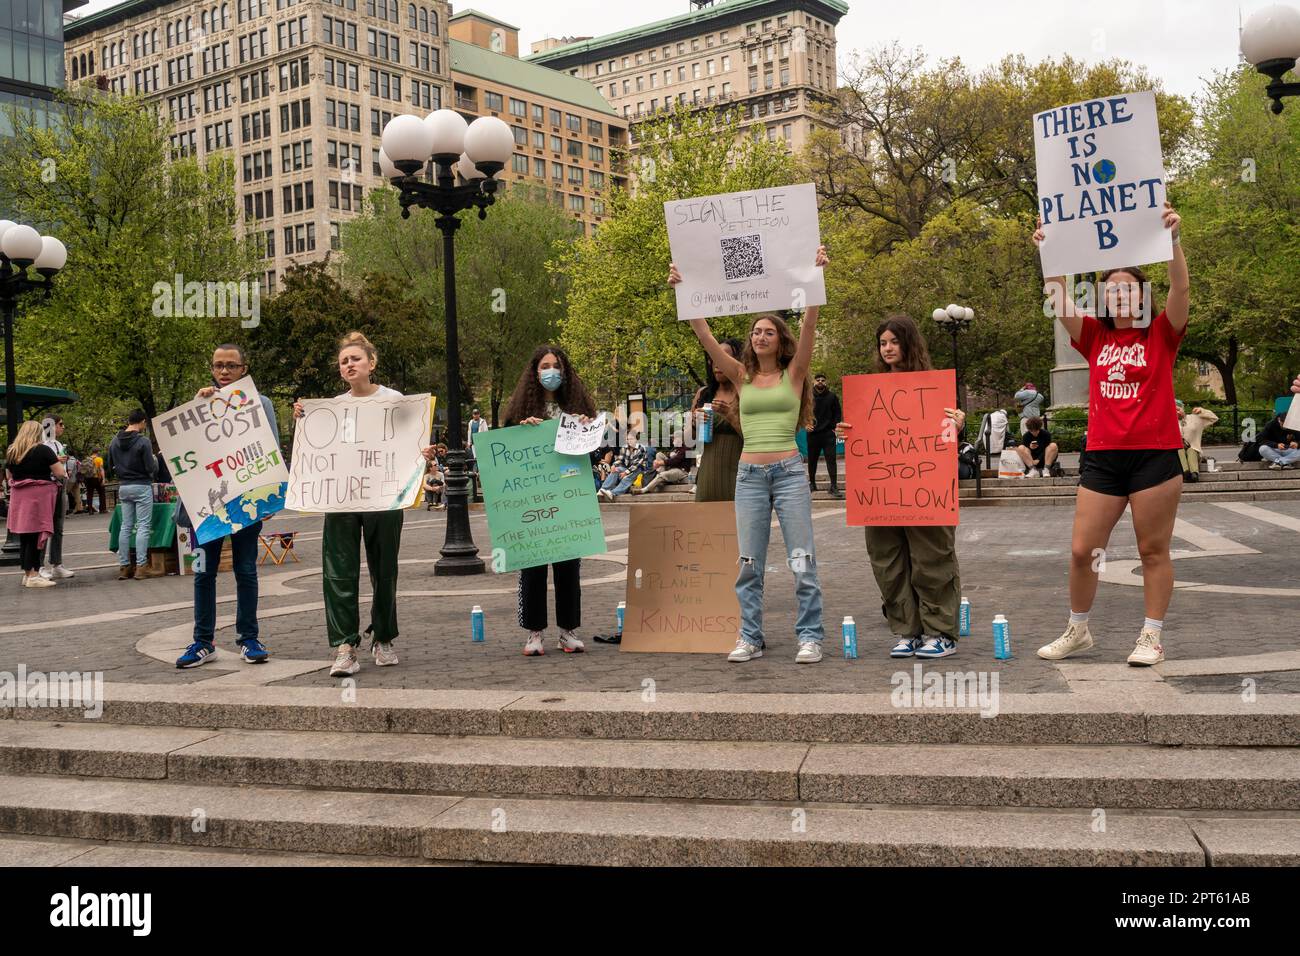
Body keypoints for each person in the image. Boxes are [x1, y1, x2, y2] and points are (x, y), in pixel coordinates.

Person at [1033, 201, 1188, 667]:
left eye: (1128, 289)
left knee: (1151, 549)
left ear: (1142, 297)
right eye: (1112, 290)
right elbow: (1057, 295)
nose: (1120, 296)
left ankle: (1151, 636)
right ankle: (1078, 629)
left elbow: (1180, 287)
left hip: (1155, 457)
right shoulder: (1094, 337)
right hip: (1102, 457)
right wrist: (1050, 250)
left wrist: (1173, 240)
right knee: (1084, 550)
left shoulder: (1161, 334)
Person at [670, 246, 830, 664]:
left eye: (768, 331)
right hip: (749, 476)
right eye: (756, 331)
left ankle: (810, 636)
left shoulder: (793, 374)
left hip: (790, 474)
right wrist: (683, 290)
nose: (760, 336)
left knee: (802, 558)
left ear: (780, 340)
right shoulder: (740, 376)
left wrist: (815, 277)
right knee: (748, 562)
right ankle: (750, 636)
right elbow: (704, 336)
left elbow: (811, 324)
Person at [294, 331, 432, 677]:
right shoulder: (331, 409)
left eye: (355, 358)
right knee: (338, 572)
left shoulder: (396, 400)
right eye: (344, 361)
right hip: (341, 499)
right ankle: (345, 645)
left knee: (384, 570)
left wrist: (423, 453)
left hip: (384, 498)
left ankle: (383, 637)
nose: (349, 364)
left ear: (372, 363)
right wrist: (303, 416)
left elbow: (409, 443)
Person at [836, 315, 967, 659]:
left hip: (926, 489)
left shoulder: (932, 387)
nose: (888, 348)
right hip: (881, 489)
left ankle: (941, 632)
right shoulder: (868, 392)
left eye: (894, 341)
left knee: (931, 559)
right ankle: (906, 630)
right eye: (883, 343)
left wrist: (957, 424)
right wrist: (845, 432)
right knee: (887, 560)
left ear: (908, 344)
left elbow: (943, 437)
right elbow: (861, 433)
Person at [175, 344, 280, 669]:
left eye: (231, 366)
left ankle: (249, 638)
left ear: (244, 369)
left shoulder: (259, 404)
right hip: (205, 506)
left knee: (245, 570)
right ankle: (203, 642)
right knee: (203, 572)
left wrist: (272, 494)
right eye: (218, 365)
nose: (223, 371)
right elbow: (185, 450)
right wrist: (196, 406)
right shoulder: (199, 405)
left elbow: (271, 449)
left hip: (245, 503)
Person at [503, 344, 598, 656]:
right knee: (533, 566)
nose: (551, 372)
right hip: (533, 500)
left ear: (565, 371)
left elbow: (593, 453)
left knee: (568, 565)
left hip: (569, 497)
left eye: (556, 365)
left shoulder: (578, 408)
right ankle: (534, 633)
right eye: (545, 366)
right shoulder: (519, 412)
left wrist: (586, 429)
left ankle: (567, 631)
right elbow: (506, 453)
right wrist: (521, 431)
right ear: (535, 372)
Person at [5, 420, 66, 589]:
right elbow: (60, 472)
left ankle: (27, 573)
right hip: (38, 497)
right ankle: (33, 575)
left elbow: (9, 474)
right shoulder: (43, 450)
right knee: (36, 535)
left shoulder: (12, 451)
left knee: (25, 536)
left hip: (19, 497)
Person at [108, 409, 162, 580]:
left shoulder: (114, 441)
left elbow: (109, 466)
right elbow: (150, 467)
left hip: (123, 487)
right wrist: (154, 462)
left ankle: (124, 566)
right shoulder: (143, 441)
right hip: (141, 485)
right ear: (142, 422)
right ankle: (141, 566)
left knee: (126, 526)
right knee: (143, 526)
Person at [689, 338, 744, 502]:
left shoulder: (746, 393)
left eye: (724, 357)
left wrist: (730, 415)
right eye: (714, 357)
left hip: (742, 472)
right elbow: (692, 440)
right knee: (706, 523)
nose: (717, 363)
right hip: (709, 472)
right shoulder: (703, 394)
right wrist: (694, 423)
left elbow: (756, 437)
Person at [39, 415, 74, 580]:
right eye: (60, 424)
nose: (63, 427)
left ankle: (56, 564)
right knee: (44, 527)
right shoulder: (41, 444)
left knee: (58, 527)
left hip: (60, 485)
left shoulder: (58, 443)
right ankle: (39, 566)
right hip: (47, 487)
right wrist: (55, 461)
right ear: (51, 426)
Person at [808, 372, 844, 498]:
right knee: (812, 461)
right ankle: (812, 484)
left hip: (828, 434)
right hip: (813, 434)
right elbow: (801, 411)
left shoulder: (832, 396)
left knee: (831, 460)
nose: (820, 381)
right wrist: (805, 424)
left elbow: (837, 413)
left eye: (823, 380)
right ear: (813, 381)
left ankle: (833, 486)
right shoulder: (808, 396)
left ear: (826, 382)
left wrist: (835, 426)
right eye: (817, 379)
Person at [597, 431, 649, 500]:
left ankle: (613, 493)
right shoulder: (625, 447)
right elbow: (620, 459)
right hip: (627, 469)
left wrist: (625, 472)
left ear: (636, 439)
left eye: (631, 439)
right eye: (628, 439)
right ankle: (603, 489)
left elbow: (636, 464)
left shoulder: (641, 448)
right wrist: (614, 465)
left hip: (639, 470)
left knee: (631, 474)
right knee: (616, 469)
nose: (629, 441)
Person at [1176, 401, 1218, 481]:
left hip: (1194, 452)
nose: (1177, 412)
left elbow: (1214, 418)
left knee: (1191, 450)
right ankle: (1186, 473)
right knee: (1180, 450)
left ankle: (1194, 474)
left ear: (1183, 409)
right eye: (1173, 410)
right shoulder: (1170, 422)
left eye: (1178, 409)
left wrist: (1202, 410)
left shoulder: (1194, 418)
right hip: (1178, 453)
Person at [1258, 399, 1300, 470]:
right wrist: (1276, 445)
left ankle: (1279, 462)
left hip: (1289, 450)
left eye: (1287, 425)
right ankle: (1286, 462)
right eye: (1282, 424)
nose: (1285, 427)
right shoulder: (1270, 425)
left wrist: (1297, 444)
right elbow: (1261, 440)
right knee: (1262, 449)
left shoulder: (1294, 425)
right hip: (1274, 449)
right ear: (1279, 419)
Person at [83, 448, 106, 514]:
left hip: (88, 479)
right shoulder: (99, 459)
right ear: (98, 452)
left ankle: (90, 510)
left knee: (89, 494)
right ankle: (102, 509)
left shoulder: (87, 459)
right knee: (101, 493)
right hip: (97, 478)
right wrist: (103, 479)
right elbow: (101, 469)